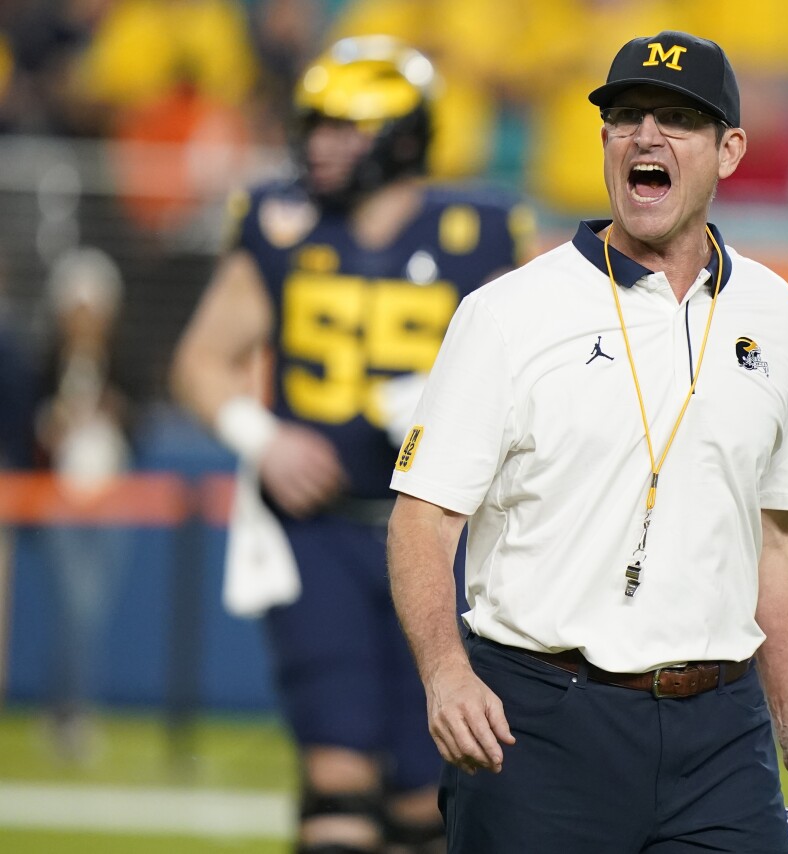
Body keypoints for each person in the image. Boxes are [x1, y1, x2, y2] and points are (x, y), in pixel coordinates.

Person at [386, 29, 788, 854]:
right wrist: (444, 674)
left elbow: (787, 533)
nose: (647, 136)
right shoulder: (510, 313)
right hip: (539, 721)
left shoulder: (776, 314)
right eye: (627, 116)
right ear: (605, 141)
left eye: (678, 119)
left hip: (722, 730)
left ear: (730, 151)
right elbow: (422, 520)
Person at [170, 36, 533, 854]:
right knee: (336, 772)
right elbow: (199, 361)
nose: (321, 145)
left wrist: (458, 412)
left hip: (445, 536)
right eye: (316, 126)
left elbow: (541, 378)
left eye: (345, 128)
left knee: (426, 786)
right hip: (321, 531)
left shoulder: (477, 230)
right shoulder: (279, 222)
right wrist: (261, 437)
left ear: (402, 136)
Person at [33, 246, 134, 762]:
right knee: (78, 608)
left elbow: (143, 422)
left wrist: (116, 412)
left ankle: (71, 710)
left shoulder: (123, 362)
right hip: (61, 501)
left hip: (114, 500)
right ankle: (70, 713)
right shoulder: (47, 365)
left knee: (94, 609)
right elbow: (29, 429)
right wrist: (50, 425)